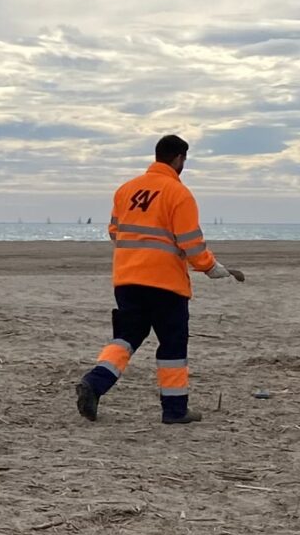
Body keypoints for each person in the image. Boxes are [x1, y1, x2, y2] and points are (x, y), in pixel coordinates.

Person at [77, 133, 244, 425]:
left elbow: (115, 231)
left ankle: (95, 382)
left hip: (127, 280)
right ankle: (174, 410)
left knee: (126, 338)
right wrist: (213, 268)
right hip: (166, 284)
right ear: (179, 159)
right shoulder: (178, 193)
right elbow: (191, 243)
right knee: (172, 346)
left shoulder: (125, 190)